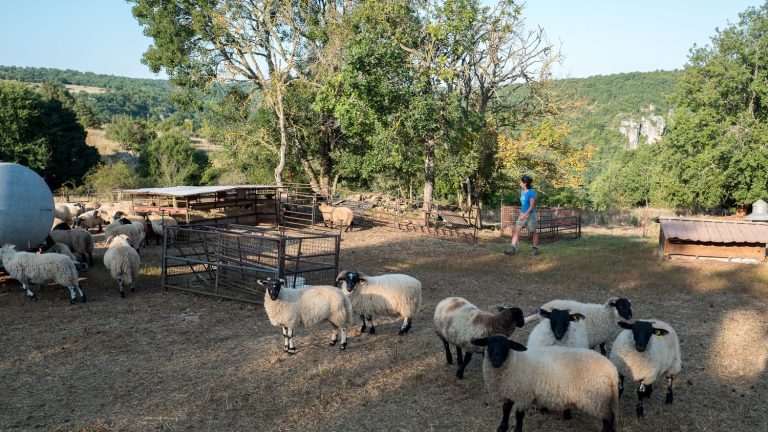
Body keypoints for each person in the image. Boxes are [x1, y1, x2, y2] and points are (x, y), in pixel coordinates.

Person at [504, 175, 539, 256]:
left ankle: (535, 249)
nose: (519, 183)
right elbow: (523, 204)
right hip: (523, 214)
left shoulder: (531, 192)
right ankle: (512, 248)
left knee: (533, 232)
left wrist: (524, 215)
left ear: (525, 183)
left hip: (531, 215)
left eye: (521, 182)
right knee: (516, 231)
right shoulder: (522, 191)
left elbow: (531, 206)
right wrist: (521, 214)